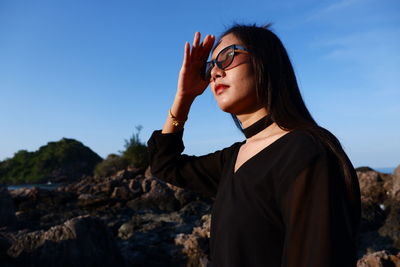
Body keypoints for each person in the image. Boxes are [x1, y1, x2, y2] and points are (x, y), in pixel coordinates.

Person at [147, 24, 361, 267]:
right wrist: (183, 97)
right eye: (211, 66)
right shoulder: (234, 157)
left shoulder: (305, 152)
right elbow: (165, 164)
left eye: (227, 57)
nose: (216, 72)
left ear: (265, 62)